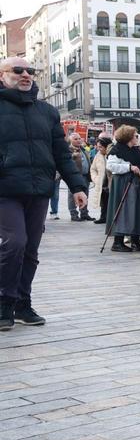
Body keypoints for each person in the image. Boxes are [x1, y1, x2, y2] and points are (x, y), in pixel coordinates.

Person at [0, 57, 87, 330]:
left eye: (30, 71)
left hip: (38, 190)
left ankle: (22, 303)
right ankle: (4, 302)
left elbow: (61, 154)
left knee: (30, 250)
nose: (25, 75)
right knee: (14, 243)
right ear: (3, 75)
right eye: (18, 70)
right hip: (6, 190)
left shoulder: (47, 112)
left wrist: (77, 187)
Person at [106, 125, 140, 252]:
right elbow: (111, 166)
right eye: (136, 135)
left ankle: (135, 241)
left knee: (136, 210)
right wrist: (128, 167)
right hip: (122, 183)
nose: (138, 137)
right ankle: (117, 242)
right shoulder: (116, 150)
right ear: (129, 137)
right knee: (121, 211)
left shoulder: (137, 150)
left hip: (136, 183)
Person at [67, 133, 93, 221]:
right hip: (75, 177)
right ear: (70, 140)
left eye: (79, 138)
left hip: (85, 176)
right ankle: (74, 214)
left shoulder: (83, 149)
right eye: (76, 139)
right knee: (72, 195)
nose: (79, 140)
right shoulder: (68, 150)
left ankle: (84, 213)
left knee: (85, 195)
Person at [88, 136, 111, 224]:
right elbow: (93, 169)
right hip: (101, 182)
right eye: (98, 147)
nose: (98, 149)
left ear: (106, 146)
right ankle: (103, 217)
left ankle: (110, 218)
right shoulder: (98, 155)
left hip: (110, 183)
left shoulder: (112, 155)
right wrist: (95, 179)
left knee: (111, 201)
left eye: (100, 147)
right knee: (103, 201)